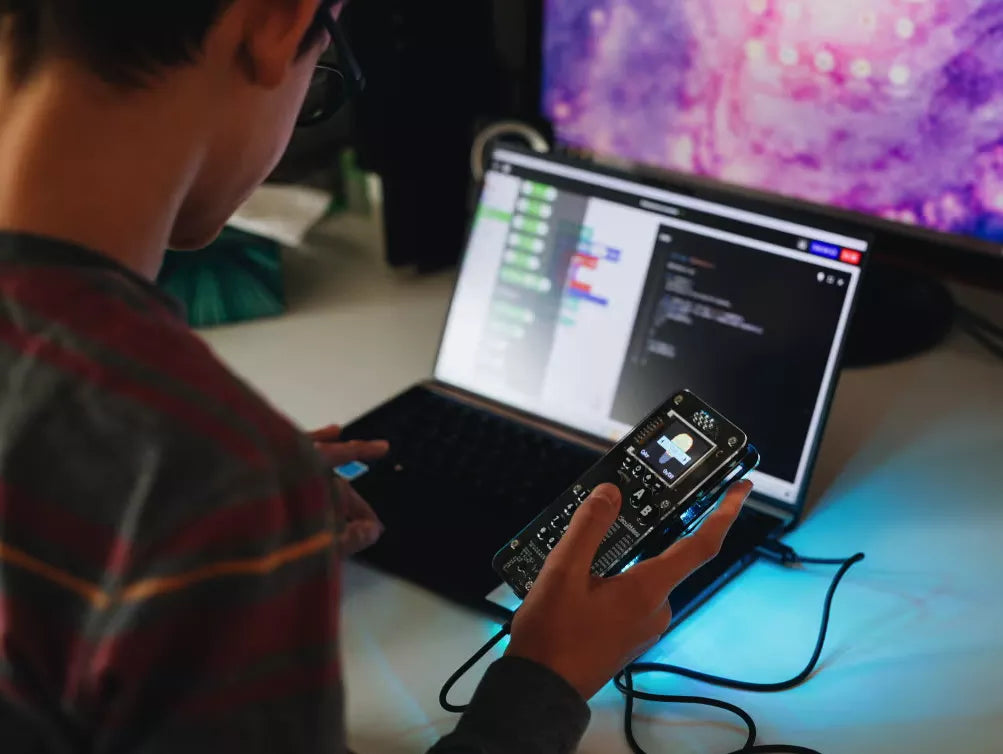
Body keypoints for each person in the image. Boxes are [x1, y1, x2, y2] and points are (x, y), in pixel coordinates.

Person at [0, 1, 752, 752]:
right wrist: (548, 674)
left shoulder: (162, 459)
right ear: (273, 23)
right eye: (328, 65)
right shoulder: (195, 472)